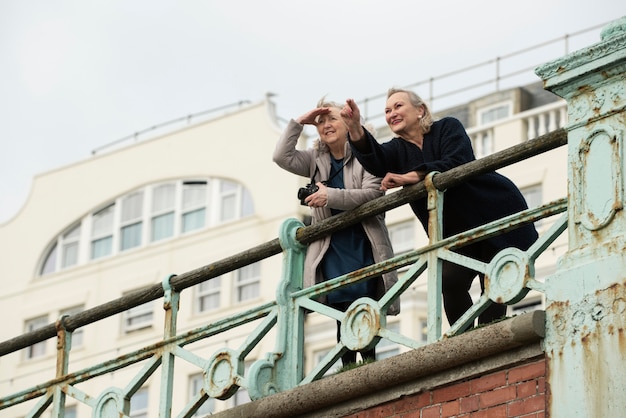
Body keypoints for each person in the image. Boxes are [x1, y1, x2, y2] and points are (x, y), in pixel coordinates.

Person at [341, 88, 538, 327]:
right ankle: (462, 341)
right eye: (387, 110)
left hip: (492, 211)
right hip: (454, 232)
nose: (392, 113)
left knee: (496, 277)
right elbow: (376, 161)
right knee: (449, 281)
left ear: (420, 110)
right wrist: (354, 127)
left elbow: (457, 161)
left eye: (398, 106)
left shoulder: (448, 127)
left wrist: (412, 176)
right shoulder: (396, 149)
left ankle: (490, 338)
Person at [273, 98, 399, 366]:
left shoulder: (367, 152)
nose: (326, 125)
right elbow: (280, 156)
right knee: (341, 310)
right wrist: (299, 123)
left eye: (332, 119)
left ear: (348, 121)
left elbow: (372, 193)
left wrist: (329, 195)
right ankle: (348, 370)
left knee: (364, 306)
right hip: (331, 247)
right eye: (320, 122)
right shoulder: (315, 159)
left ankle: (368, 366)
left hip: (364, 242)